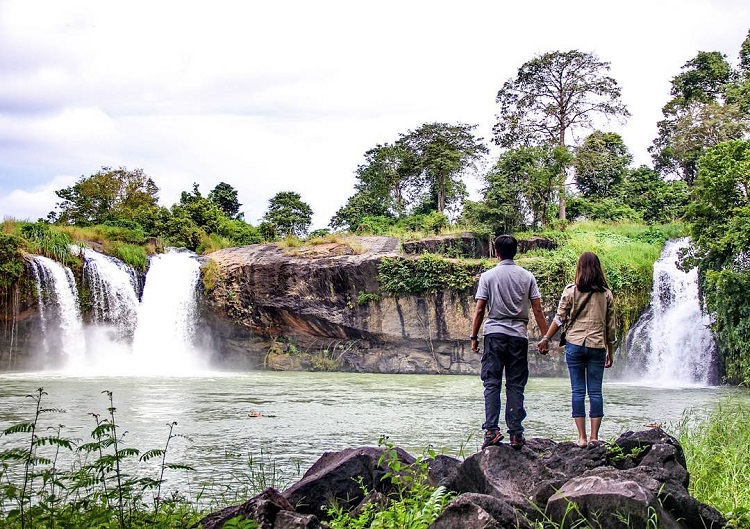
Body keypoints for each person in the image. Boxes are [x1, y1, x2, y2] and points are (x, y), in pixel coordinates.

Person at [471, 235, 549, 450]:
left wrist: (473, 336)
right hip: (518, 336)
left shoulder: (488, 276)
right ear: (516, 252)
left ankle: (492, 431)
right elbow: (537, 309)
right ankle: (515, 434)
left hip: (494, 334)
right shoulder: (527, 276)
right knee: (515, 384)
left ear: (496, 252)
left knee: (492, 383)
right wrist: (545, 337)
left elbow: (479, 309)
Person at [537, 252, 615, 448]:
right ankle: (594, 437)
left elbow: (559, 318)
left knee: (578, 391)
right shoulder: (606, 294)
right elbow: (610, 327)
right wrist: (610, 352)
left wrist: (546, 338)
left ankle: (581, 438)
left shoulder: (571, 291)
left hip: (575, 345)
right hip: (597, 345)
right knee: (596, 392)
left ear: (579, 268)